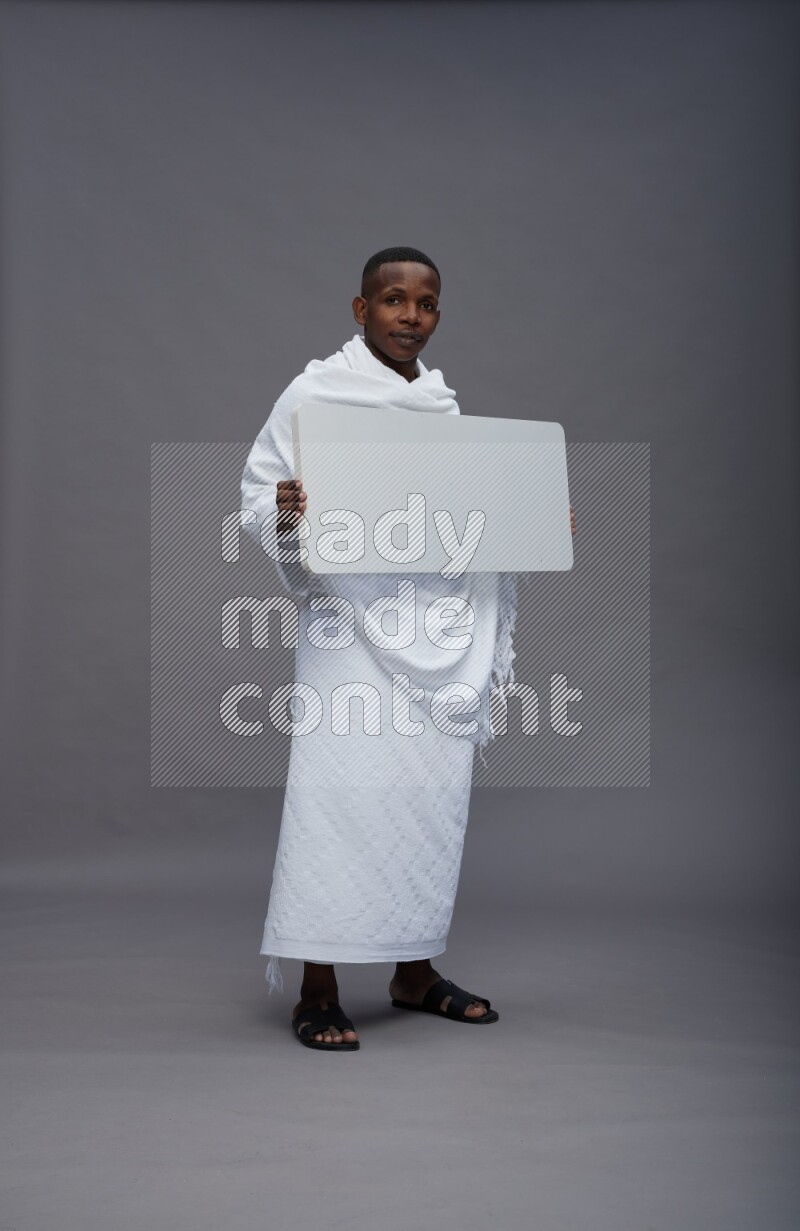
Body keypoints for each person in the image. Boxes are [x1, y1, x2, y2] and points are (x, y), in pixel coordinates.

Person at [240, 247, 575, 1051]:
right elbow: (259, 491)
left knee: (424, 801)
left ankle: (413, 971)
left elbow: (457, 514)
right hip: (346, 629)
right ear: (361, 311)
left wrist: (530, 522)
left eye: (425, 304)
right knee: (341, 796)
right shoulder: (315, 391)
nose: (409, 316)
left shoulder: (440, 404)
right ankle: (318, 987)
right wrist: (283, 510)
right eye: (392, 301)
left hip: (435, 628)